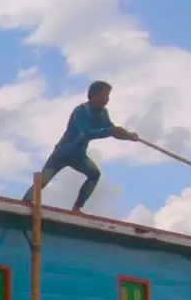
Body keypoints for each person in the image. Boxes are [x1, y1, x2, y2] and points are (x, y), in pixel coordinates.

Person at [22, 80, 138, 213]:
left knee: (94, 174)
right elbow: (86, 132)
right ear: (94, 95)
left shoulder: (103, 113)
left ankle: (77, 207)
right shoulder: (81, 111)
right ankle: (26, 201)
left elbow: (112, 130)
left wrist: (128, 136)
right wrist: (111, 131)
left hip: (78, 155)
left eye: (108, 96)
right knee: (44, 179)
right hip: (63, 153)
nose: (107, 99)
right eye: (104, 95)